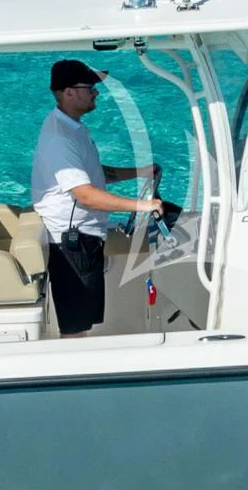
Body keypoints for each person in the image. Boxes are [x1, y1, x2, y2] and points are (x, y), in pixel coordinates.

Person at [31, 59, 161, 337]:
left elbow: (93, 175)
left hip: (84, 238)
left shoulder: (72, 128)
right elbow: (86, 195)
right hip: (71, 243)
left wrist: (141, 172)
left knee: (83, 325)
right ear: (68, 93)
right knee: (75, 330)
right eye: (89, 87)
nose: (96, 92)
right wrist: (142, 205)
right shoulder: (60, 139)